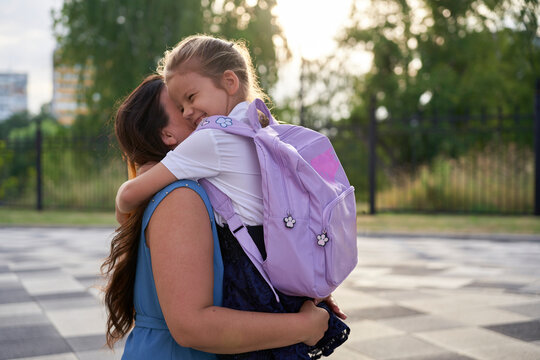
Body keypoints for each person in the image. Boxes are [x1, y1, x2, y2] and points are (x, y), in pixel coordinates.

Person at [115, 35, 350, 359]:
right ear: (167, 135)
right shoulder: (181, 195)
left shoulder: (205, 178)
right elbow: (192, 325)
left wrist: (303, 289)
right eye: (180, 106)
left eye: (191, 97)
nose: (193, 112)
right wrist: (302, 326)